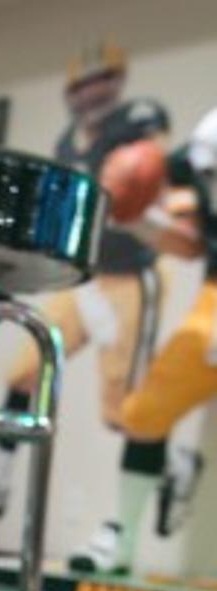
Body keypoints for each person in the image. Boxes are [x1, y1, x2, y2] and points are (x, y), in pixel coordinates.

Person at [0, 41, 173, 575]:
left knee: (129, 412)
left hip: (131, 279)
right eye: (81, 83)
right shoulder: (69, 140)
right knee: (22, 372)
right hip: (82, 279)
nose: (91, 91)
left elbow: (156, 179)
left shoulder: (140, 121)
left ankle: (121, 531)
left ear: (117, 80)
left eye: (100, 80)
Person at [113, 107, 217, 533]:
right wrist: (137, 219)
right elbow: (191, 246)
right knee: (143, 414)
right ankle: (124, 549)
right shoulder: (190, 160)